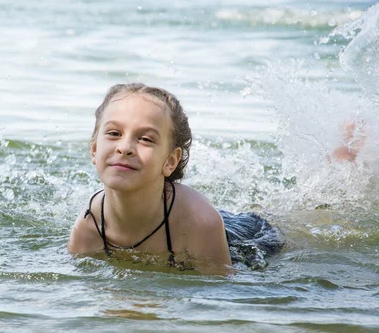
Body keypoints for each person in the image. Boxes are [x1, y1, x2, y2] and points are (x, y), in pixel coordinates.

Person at [67, 83, 284, 274]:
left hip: (245, 235)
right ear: (94, 150)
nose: (124, 148)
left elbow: (222, 293)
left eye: (145, 139)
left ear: (170, 161)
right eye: (114, 133)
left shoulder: (201, 223)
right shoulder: (89, 227)